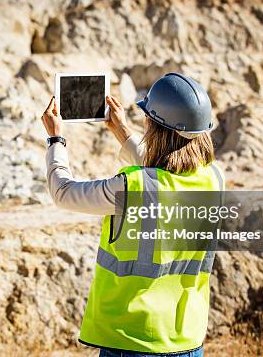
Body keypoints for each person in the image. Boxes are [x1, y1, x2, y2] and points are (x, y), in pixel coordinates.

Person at [41, 73, 224, 357]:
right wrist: (121, 130)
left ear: (153, 125)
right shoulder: (213, 179)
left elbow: (63, 192)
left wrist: (56, 139)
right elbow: (167, 170)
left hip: (131, 341)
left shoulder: (134, 186)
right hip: (187, 340)